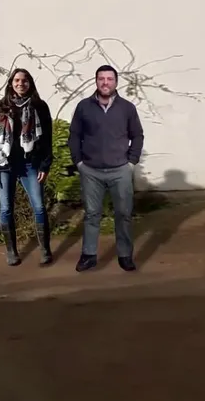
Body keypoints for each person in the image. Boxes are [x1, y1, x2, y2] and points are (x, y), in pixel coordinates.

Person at [68, 65, 144, 273]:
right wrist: (79, 162)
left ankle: (125, 255)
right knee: (92, 214)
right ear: (96, 81)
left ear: (116, 82)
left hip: (120, 169)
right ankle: (89, 255)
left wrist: (131, 161)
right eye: (101, 79)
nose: (105, 83)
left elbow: (137, 135)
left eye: (109, 79)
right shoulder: (84, 107)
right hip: (91, 170)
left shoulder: (127, 108)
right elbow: (74, 135)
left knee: (123, 214)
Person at [0, 68, 54, 267]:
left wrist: (45, 164)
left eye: (24, 80)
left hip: (30, 164)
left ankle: (45, 250)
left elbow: (47, 138)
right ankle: (11, 252)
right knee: (5, 209)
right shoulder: (1, 107)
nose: (20, 83)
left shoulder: (39, 106)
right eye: (17, 80)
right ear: (11, 83)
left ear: (30, 83)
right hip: (4, 165)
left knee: (39, 207)